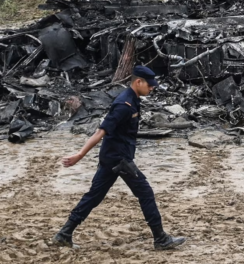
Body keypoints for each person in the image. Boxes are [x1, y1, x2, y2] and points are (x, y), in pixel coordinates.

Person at [52, 65, 186, 251]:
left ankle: (64, 234)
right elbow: (101, 131)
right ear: (138, 82)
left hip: (112, 157)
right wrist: (80, 155)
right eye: (149, 85)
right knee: (145, 193)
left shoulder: (133, 98)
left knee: (94, 196)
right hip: (118, 160)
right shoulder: (124, 105)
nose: (152, 88)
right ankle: (161, 239)